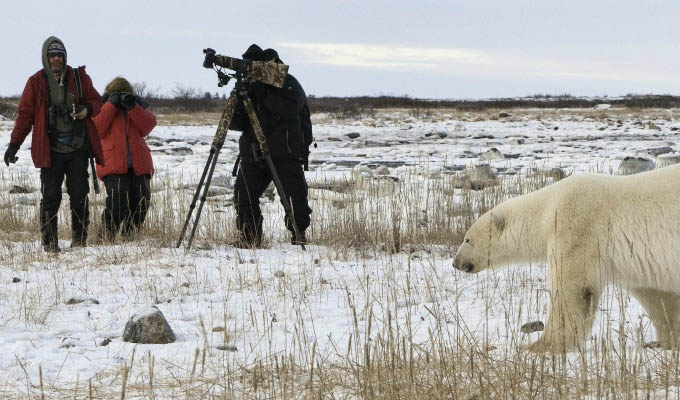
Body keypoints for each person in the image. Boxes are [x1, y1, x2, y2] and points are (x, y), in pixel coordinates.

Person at [3, 36, 104, 253]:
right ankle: (50, 245)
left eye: (60, 55)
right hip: (50, 150)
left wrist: (86, 110)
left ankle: (80, 243)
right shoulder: (36, 82)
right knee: (50, 198)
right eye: (52, 55)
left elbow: (97, 102)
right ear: (45, 58)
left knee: (79, 196)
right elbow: (25, 116)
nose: (56, 59)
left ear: (65, 56)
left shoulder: (79, 78)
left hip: (78, 148)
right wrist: (14, 145)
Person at [229, 44, 313, 248]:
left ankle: (298, 234)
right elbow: (236, 123)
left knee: (294, 198)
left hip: (284, 152)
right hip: (253, 152)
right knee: (243, 195)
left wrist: (262, 93)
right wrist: (239, 99)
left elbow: (290, 109)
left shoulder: (287, 82)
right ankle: (250, 236)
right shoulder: (248, 85)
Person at [92, 77, 156, 242]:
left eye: (124, 94)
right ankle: (105, 237)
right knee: (117, 203)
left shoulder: (135, 107)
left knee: (142, 202)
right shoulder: (103, 107)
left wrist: (133, 106)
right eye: (117, 94)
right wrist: (111, 105)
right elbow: (96, 129)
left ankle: (130, 236)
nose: (121, 97)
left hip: (138, 164)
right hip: (112, 163)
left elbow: (148, 126)